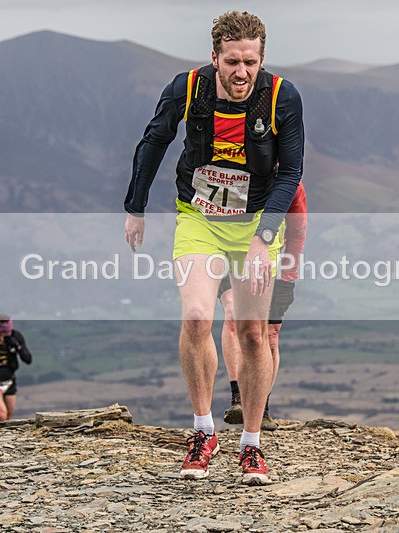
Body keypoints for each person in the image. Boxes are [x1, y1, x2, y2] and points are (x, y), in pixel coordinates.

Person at [124, 11, 304, 485]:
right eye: (232, 62)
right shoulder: (188, 88)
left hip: (255, 224)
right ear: (215, 57)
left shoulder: (282, 96)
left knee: (252, 333)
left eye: (250, 62)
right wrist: (135, 207)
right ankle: (203, 432)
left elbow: (291, 171)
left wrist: (266, 238)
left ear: (261, 60)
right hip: (198, 218)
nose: (241, 72)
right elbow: (154, 141)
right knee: (196, 317)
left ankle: (251, 443)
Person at [221, 181, 307, 431]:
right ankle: (238, 399)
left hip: (273, 265)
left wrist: (288, 274)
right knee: (233, 315)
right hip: (230, 257)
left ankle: (261, 405)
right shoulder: (237, 173)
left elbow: (297, 230)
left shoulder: (292, 185)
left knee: (269, 335)